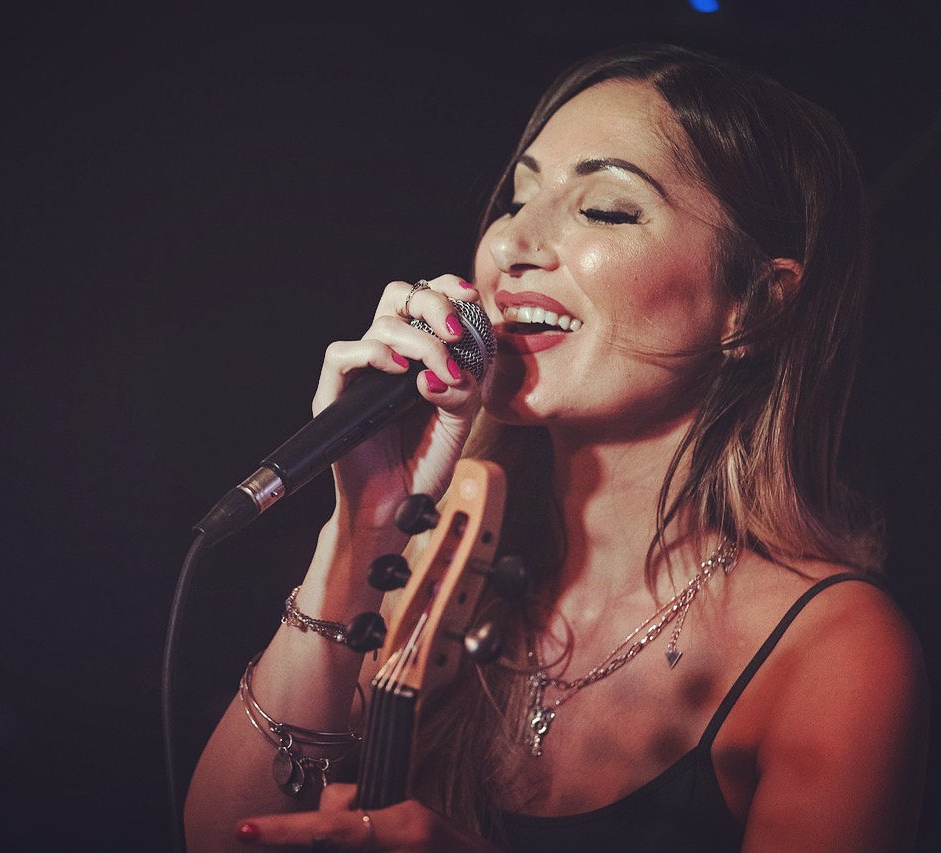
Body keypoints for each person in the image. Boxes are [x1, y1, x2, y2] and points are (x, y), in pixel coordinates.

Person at [183, 44, 928, 851]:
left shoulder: (836, 650)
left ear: (759, 304)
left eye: (603, 209)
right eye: (516, 197)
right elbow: (225, 839)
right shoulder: (434, 569)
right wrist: (363, 531)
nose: (512, 243)